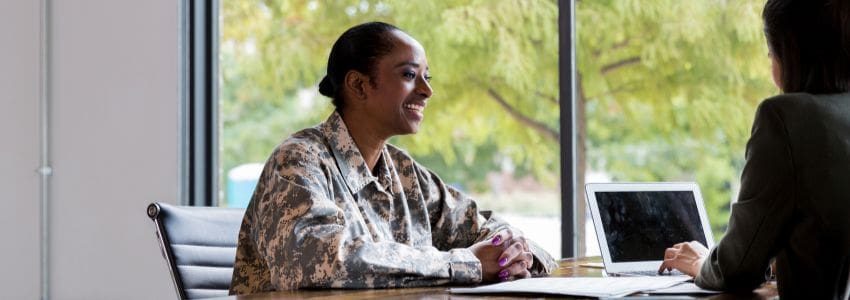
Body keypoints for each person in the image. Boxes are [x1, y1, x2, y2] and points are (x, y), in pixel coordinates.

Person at [228, 22, 557, 295]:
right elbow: (315, 261)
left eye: (428, 77)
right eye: (410, 75)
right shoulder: (298, 160)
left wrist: (512, 253)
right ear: (358, 85)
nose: (427, 91)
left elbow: (485, 229)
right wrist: (467, 264)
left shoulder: (404, 172)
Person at [658, 0, 850, 298]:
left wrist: (700, 263)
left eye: (771, 54)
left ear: (791, 52)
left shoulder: (785, 118)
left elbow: (736, 267)